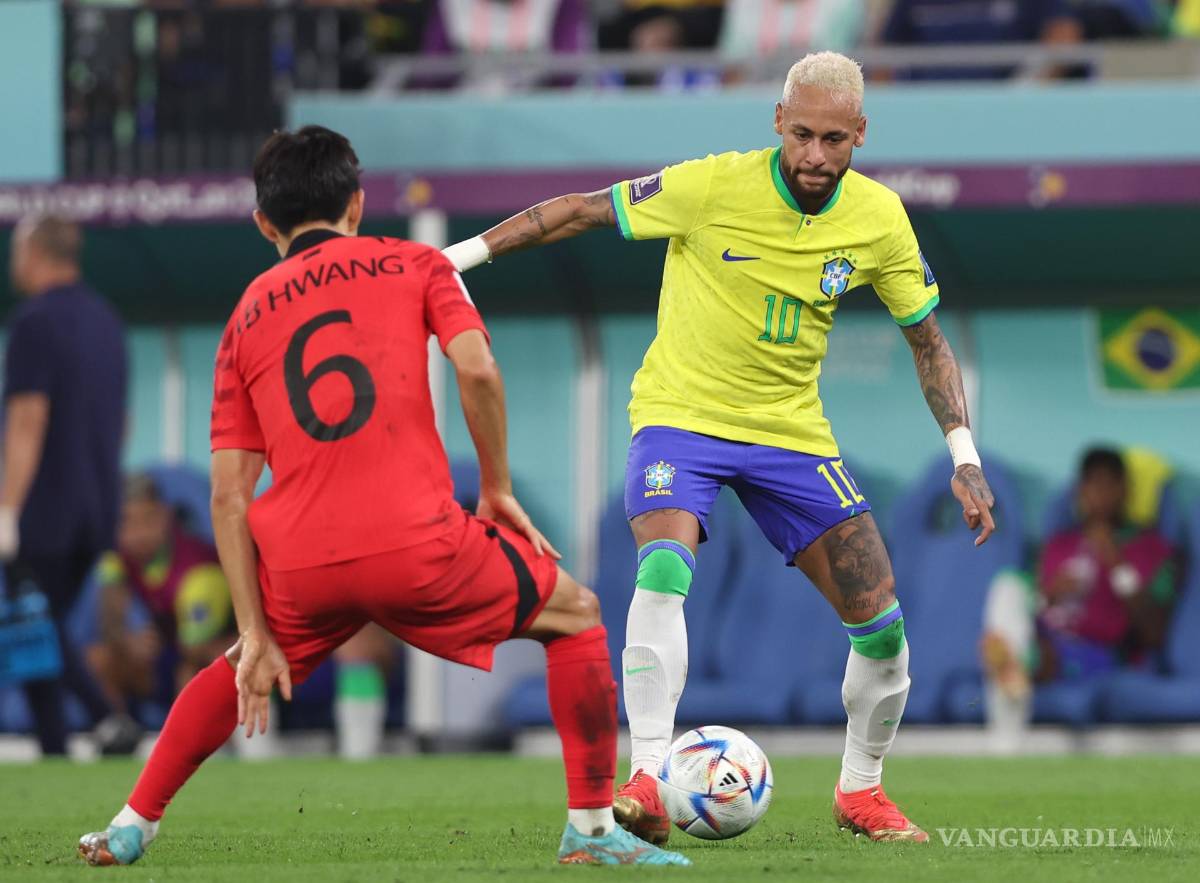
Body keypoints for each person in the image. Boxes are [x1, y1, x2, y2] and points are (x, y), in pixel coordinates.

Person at [78, 125, 688, 868]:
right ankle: (592, 832)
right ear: (359, 205)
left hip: (302, 563)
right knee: (578, 616)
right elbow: (479, 371)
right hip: (417, 542)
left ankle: (131, 821)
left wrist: (256, 623)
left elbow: (229, 496)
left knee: (241, 659)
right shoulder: (415, 262)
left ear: (265, 223)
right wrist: (494, 485)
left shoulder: (244, 316)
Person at [443, 51, 996, 844]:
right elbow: (580, 211)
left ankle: (860, 792)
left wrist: (964, 454)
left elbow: (929, 341)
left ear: (861, 136)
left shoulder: (879, 219)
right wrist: (457, 261)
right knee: (664, 567)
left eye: (833, 139)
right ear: (777, 122)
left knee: (883, 630)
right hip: (682, 416)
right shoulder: (710, 186)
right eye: (801, 133)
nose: (814, 154)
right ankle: (647, 772)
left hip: (790, 432)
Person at [2, 214, 131, 757]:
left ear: (32, 253)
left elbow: (28, 419)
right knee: (33, 628)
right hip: (97, 506)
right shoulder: (108, 323)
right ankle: (55, 748)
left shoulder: (33, 323)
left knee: (34, 625)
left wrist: (7, 507)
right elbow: (122, 421)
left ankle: (108, 718)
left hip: (45, 509)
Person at [981, 448, 1176, 748]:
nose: (1099, 494)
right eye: (1091, 485)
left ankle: (1014, 662)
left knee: (1027, 652)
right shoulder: (1061, 544)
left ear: (1125, 490)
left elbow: (1153, 632)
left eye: (1108, 485)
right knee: (1008, 586)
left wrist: (1115, 563)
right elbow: (1034, 609)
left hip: (1096, 654)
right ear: (1080, 491)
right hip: (1045, 634)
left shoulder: (1148, 547)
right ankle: (1015, 659)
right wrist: (1050, 595)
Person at [81, 474, 234, 726]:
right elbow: (109, 623)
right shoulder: (115, 558)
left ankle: (191, 747)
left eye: (147, 520)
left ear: (165, 517)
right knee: (97, 659)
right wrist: (127, 641)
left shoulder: (198, 573)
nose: (137, 533)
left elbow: (194, 649)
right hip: (167, 657)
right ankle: (118, 732)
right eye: (126, 522)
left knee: (194, 671)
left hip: (204, 658)